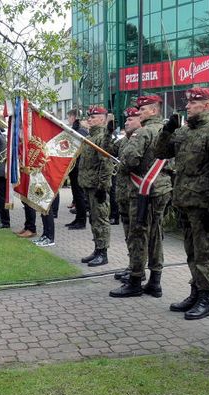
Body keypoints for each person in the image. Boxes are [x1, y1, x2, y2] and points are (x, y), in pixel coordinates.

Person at [155, 87, 209, 319]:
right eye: (188, 102)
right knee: (191, 251)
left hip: (203, 205)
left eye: (193, 103)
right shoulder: (185, 131)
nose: (187, 106)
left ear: (207, 105)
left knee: (204, 253)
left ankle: (205, 299)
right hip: (185, 202)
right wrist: (168, 130)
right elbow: (161, 152)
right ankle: (195, 292)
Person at [110, 95, 172, 298]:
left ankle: (136, 280)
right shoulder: (167, 131)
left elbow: (129, 160)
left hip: (143, 191)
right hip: (161, 188)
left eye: (142, 109)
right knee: (156, 236)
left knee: (138, 235)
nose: (139, 111)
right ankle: (155, 281)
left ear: (153, 110)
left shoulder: (143, 132)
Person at [108, 107, 142, 280]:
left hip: (136, 193)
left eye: (131, 119)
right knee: (129, 235)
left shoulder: (141, 139)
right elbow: (109, 150)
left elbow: (131, 163)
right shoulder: (123, 141)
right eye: (126, 120)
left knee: (137, 236)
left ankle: (138, 270)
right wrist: (109, 132)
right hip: (124, 193)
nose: (127, 122)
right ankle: (131, 266)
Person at [78, 106, 114, 267]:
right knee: (94, 220)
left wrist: (103, 187)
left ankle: (103, 252)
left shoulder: (101, 138)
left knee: (101, 219)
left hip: (97, 186)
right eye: (89, 117)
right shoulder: (90, 138)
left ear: (102, 119)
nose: (90, 119)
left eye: (94, 117)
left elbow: (106, 164)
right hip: (89, 184)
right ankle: (97, 249)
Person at [65, 109, 88, 230]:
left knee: (79, 195)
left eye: (68, 117)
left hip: (79, 167)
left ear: (73, 117)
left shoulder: (81, 131)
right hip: (74, 167)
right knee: (76, 194)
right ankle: (78, 218)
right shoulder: (75, 129)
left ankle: (82, 220)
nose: (68, 120)